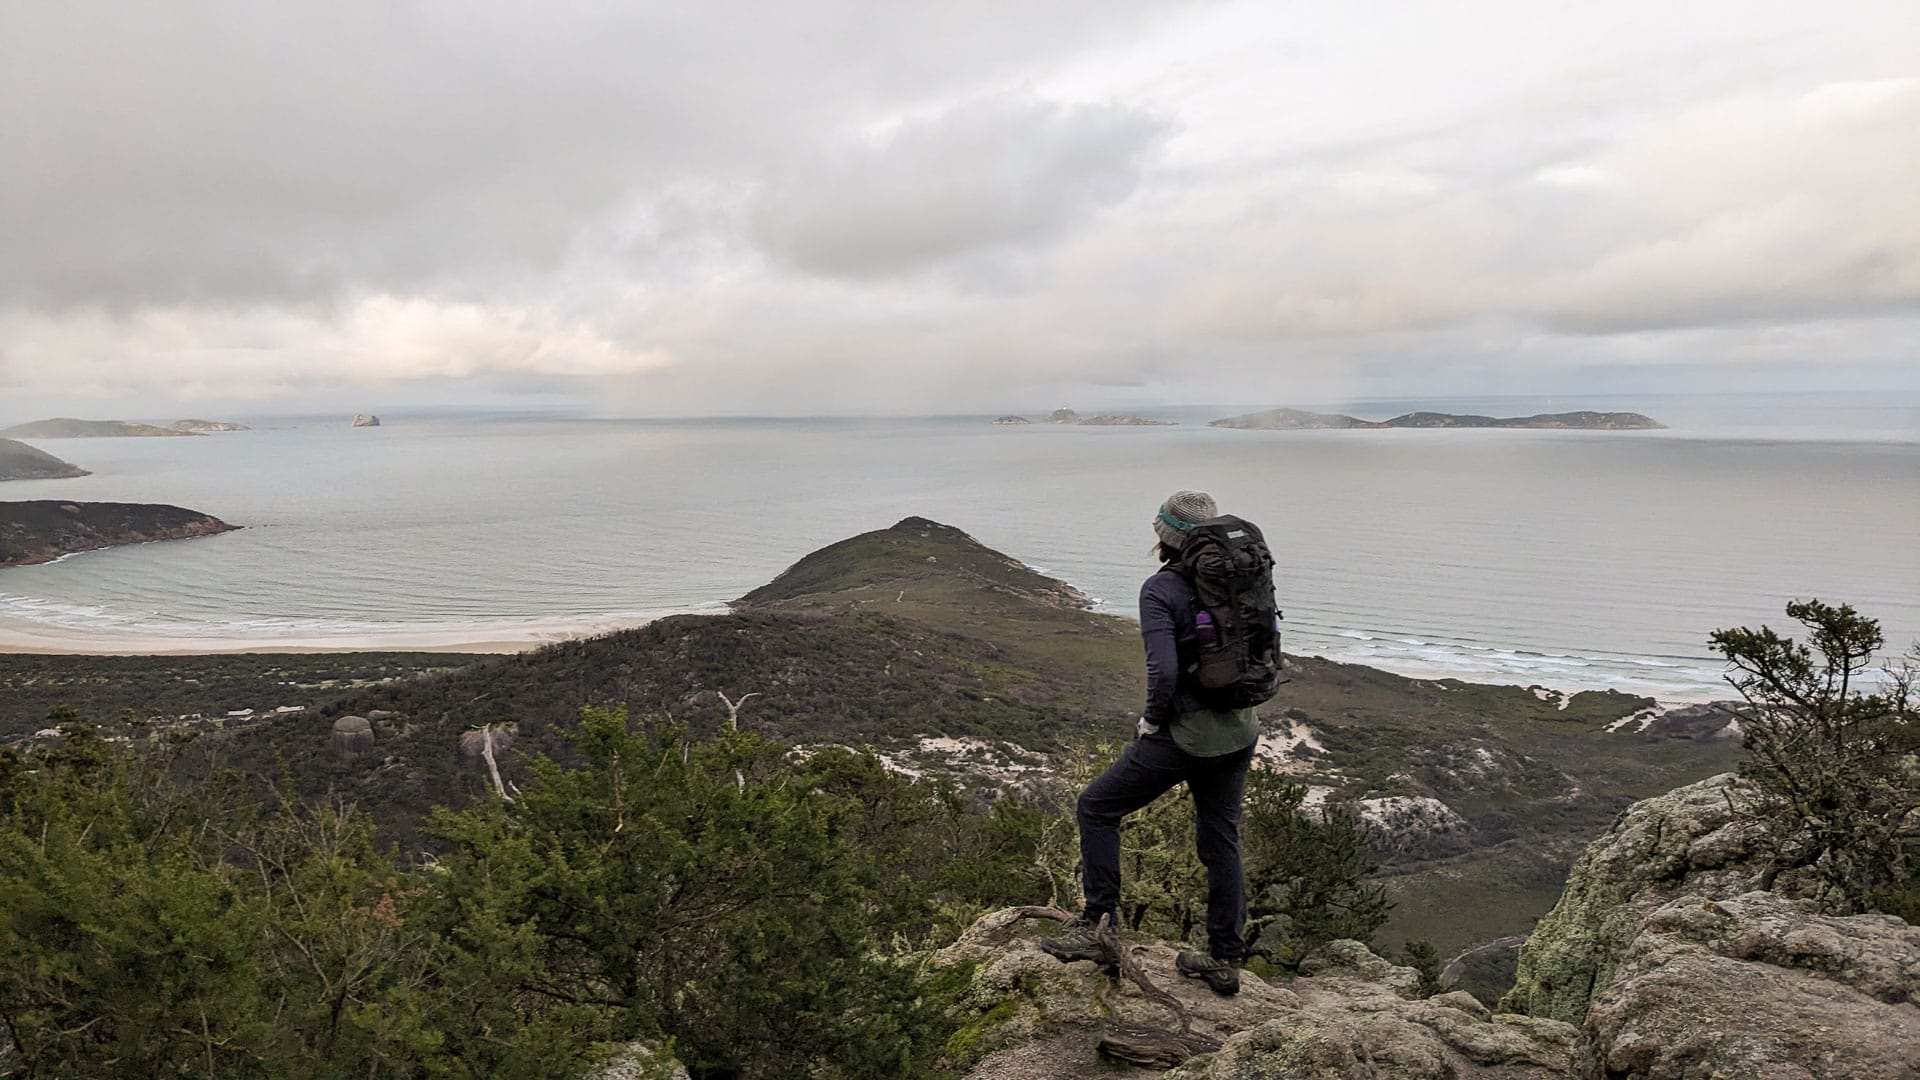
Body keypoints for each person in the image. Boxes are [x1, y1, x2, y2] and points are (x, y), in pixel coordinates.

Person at [1041, 489, 1261, 995]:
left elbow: (1162, 672)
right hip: (1241, 728)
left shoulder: (1161, 589)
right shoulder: (1242, 577)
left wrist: (1150, 723)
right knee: (1219, 839)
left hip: (1186, 732)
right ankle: (1225, 959)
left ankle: (1098, 925)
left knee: (1096, 807)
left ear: (1162, 535)